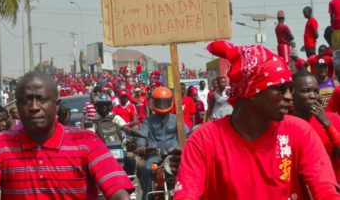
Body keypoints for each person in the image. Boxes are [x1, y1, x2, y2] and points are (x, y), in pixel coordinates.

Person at [174, 40, 340, 200]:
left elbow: (324, 190)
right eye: (280, 89)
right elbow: (186, 195)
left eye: (290, 89)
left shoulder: (299, 132)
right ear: (252, 92)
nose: (289, 97)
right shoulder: (203, 141)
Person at [0, 72, 134, 199]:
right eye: (26, 101)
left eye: (42, 100)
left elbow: (118, 191)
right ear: (17, 107)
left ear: (56, 105)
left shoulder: (87, 141)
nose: (34, 107)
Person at [136, 87, 188, 200]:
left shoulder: (177, 119)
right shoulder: (148, 120)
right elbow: (142, 134)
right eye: (159, 102)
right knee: (145, 169)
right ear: (154, 102)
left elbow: (187, 134)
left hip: (172, 156)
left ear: (170, 102)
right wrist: (141, 145)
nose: (162, 105)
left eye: (164, 102)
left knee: (187, 171)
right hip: (154, 156)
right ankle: (147, 196)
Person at [292, 71, 340, 182]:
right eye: (306, 91)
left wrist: (328, 125)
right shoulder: (286, 122)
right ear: (292, 93)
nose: (313, 96)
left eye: (316, 91)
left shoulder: (332, 119)